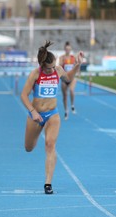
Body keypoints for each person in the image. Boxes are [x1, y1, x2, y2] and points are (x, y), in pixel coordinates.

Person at [20, 41, 83, 194]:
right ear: (42, 65)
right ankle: (34, 136)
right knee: (29, 148)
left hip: (52, 114)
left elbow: (68, 79)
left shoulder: (58, 70)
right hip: (36, 115)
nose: (53, 70)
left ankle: (48, 184)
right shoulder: (35, 74)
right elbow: (23, 95)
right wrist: (33, 111)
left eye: (54, 67)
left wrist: (77, 65)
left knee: (50, 145)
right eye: (49, 68)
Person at [59, 41, 77, 120]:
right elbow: (59, 67)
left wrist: (77, 72)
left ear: (70, 49)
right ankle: (66, 110)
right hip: (64, 78)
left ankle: (72, 105)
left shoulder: (73, 58)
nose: (68, 50)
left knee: (72, 90)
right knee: (64, 96)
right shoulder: (62, 58)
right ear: (64, 49)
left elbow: (77, 66)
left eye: (69, 49)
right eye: (66, 49)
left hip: (72, 78)